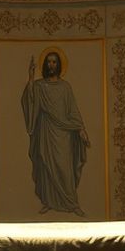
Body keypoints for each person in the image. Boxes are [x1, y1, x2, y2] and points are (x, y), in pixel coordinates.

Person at [22, 51, 90, 216]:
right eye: (49, 62)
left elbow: (72, 110)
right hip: (45, 131)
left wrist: (81, 128)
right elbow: (29, 100)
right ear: (45, 65)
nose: (51, 65)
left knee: (65, 169)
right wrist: (31, 77)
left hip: (64, 134)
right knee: (46, 166)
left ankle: (72, 203)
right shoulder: (39, 86)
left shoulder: (65, 87)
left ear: (59, 65)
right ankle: (48, 202)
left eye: (54, 62)